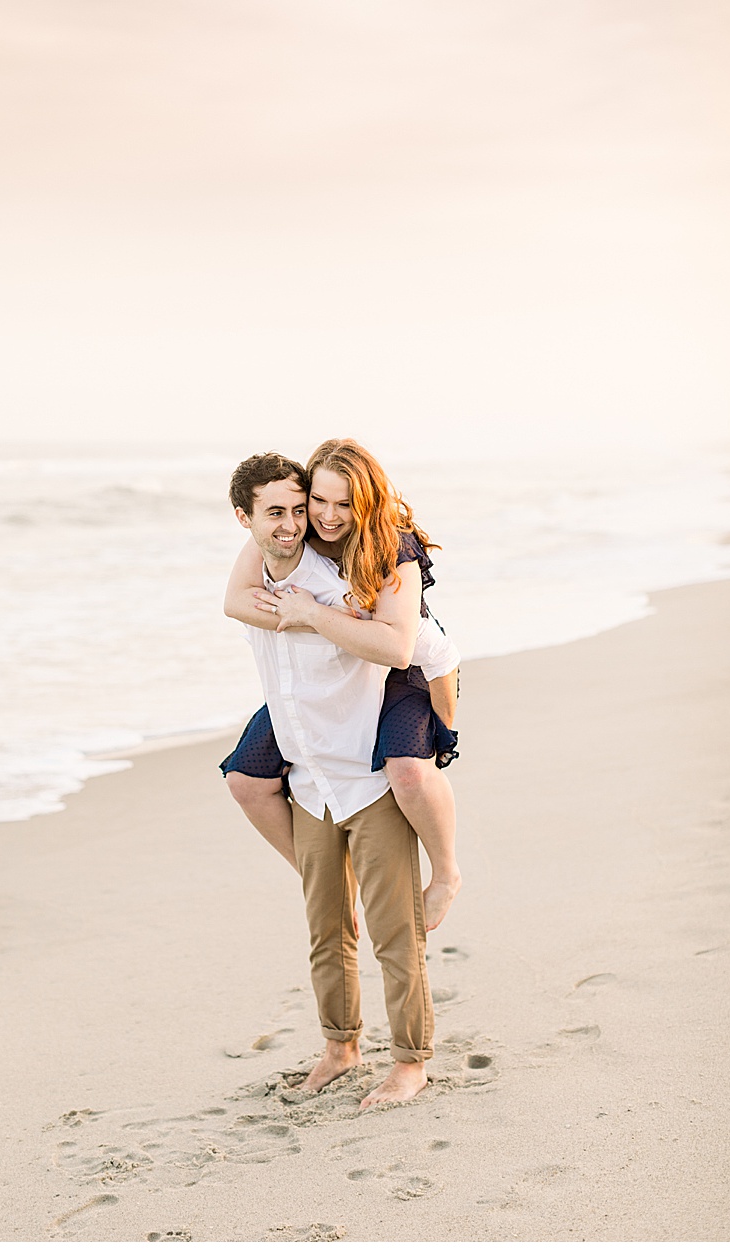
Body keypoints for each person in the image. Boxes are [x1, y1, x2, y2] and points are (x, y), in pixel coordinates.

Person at [224, 452, 433, 1109]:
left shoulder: (338, 583)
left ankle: (410, 1063)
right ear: (246, 519)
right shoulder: (257, 581)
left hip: (365, 776)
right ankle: (341, 1048)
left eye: (299, 509)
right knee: (326, 930)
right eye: (277, 512)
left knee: (395, 934)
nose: (294, 523)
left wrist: (316, 613)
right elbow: (234, 601)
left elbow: (396, 643)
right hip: (309, 782)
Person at [220, 438, 464, 930]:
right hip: (341, 664)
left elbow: (404, 650)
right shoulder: (291, 527)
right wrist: (318, 619)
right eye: (319, 500)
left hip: (412, 670)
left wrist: (443, 730)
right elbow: (236, 602)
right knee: (246, 780)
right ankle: (324, 879)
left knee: (409, 771)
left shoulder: (393, 545)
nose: (328, 516)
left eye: (345, 504)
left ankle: (446, 875)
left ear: (365, 502)